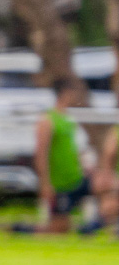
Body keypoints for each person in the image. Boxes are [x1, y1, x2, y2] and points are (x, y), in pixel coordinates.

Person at [27, 79, 95, 235]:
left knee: (102, 185)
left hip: (75, 177)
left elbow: (72, 148)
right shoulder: (48, 120)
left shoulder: (68, 119)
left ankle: (93, 225)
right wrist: (45, 184)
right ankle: (23, 230)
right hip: (60, 183)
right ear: (66, 93)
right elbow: (41, 153)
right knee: (59, 229)